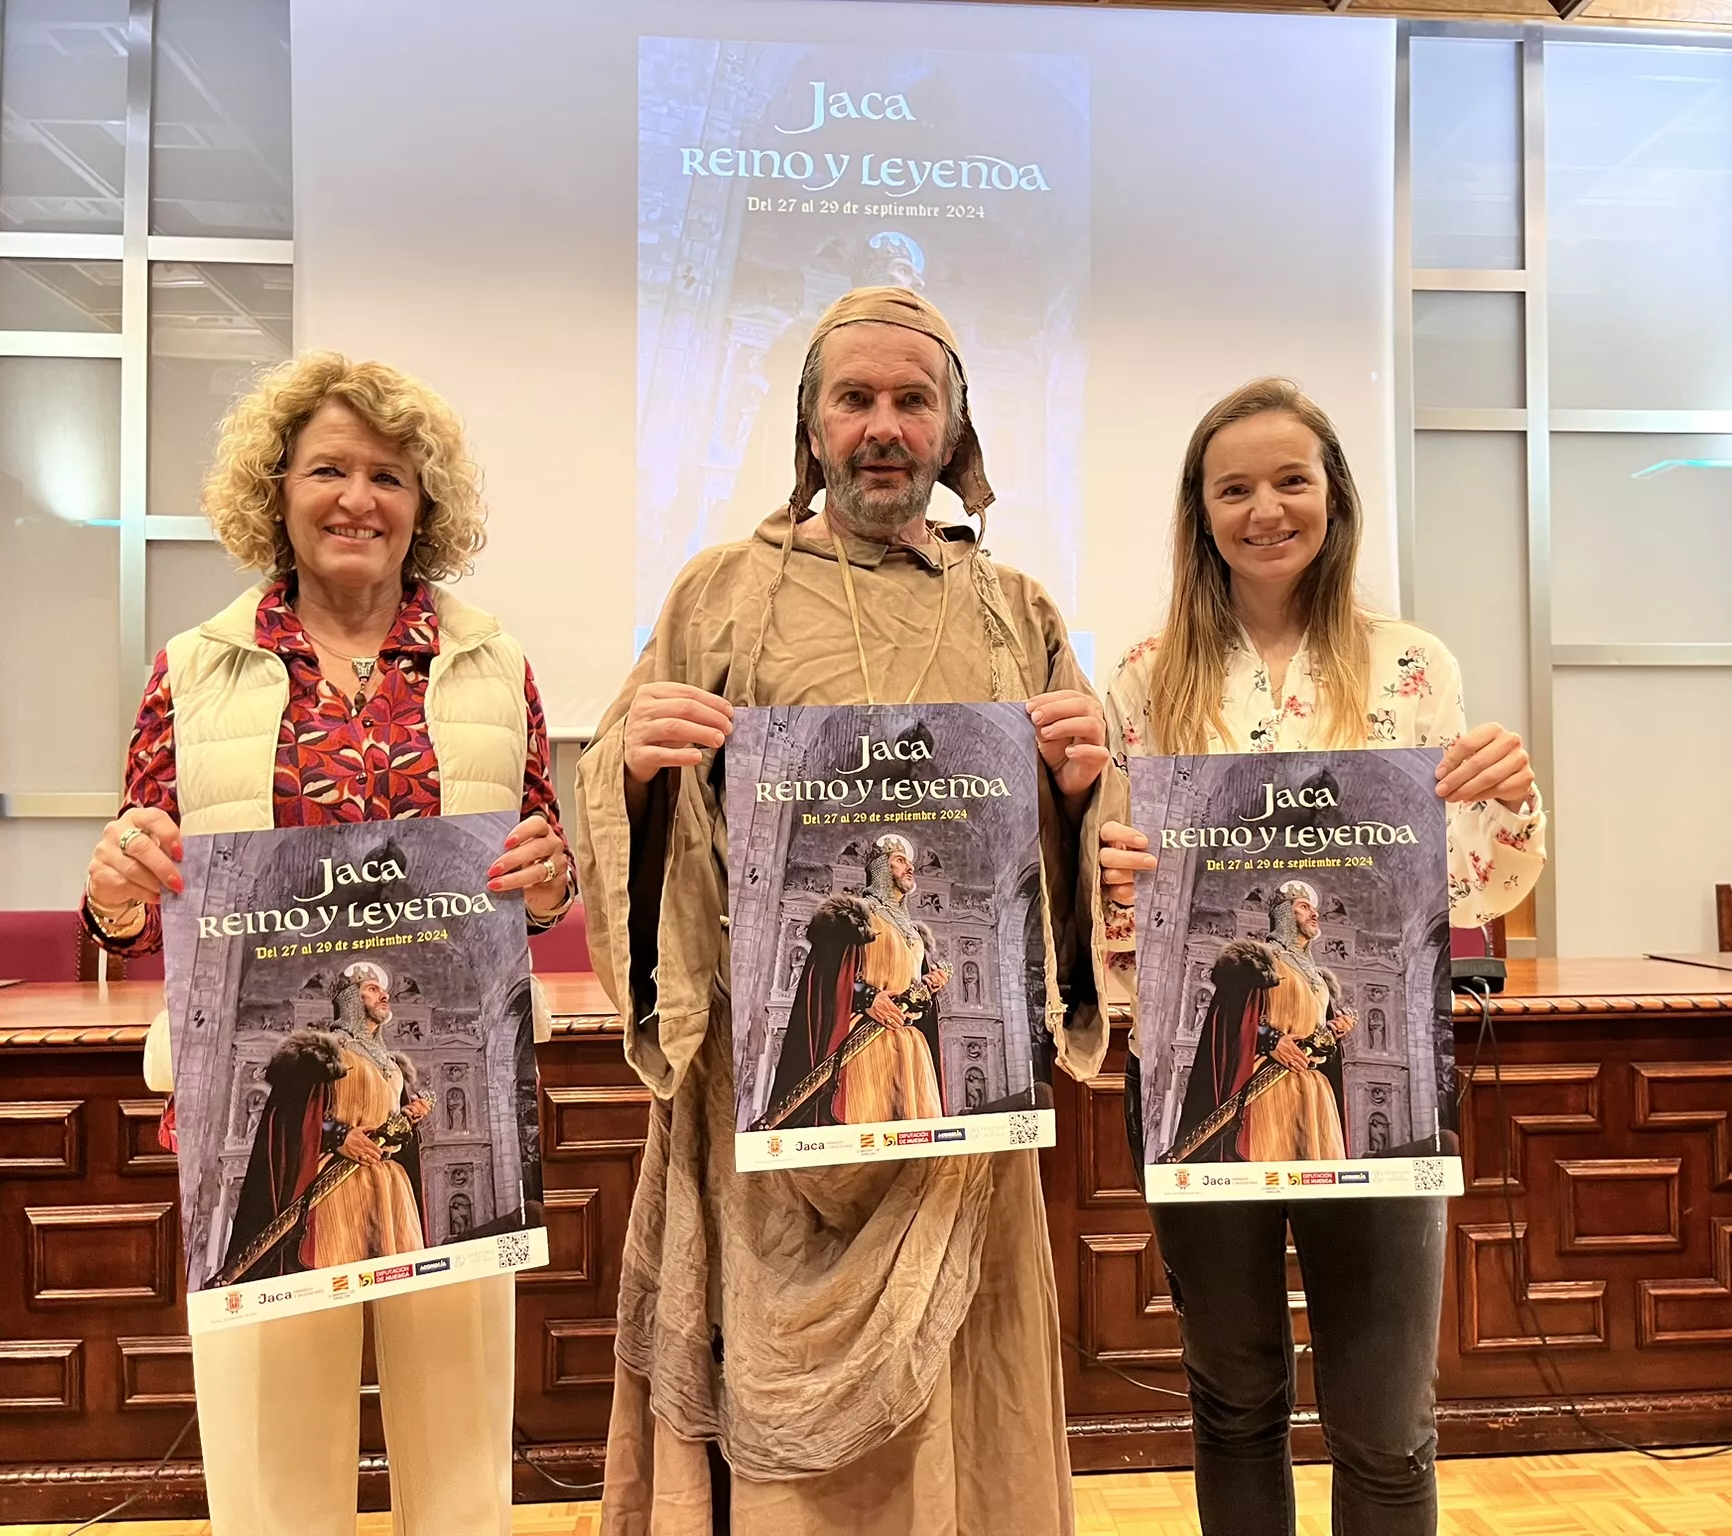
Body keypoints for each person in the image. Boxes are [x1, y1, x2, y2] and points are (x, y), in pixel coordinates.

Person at [573, 285, 1120, 1535]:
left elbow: (1086, 841)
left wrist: (1086, 789)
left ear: (951, 430)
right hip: (765, 1112)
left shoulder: (1015, 609)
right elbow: (619, 802)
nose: (882, 425)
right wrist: (638, 771)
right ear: (812, 426)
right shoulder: (717, 593)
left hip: (954, 1120)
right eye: (854, 399)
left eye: (910, 401)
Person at [80, 352, 576, 1536]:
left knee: (459, 1464)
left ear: (425, 504)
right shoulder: (192, 671)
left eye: (389, 476)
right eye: (328, 471)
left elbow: (536, 872)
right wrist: (112, 889)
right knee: (270, 1473)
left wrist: (551, 880)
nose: (358, 499)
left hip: (449, 1112)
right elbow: (138, 903)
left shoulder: (493, 662)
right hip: (254, 1111)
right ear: (278, 491)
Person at [1096, 378, 1544, 1535]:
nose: (1263, 510)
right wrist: (1112, 881)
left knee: (1386, 1422)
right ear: (1198, 513)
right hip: (1200, 1070)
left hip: (1374, 1075)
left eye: (1290, 480)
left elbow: (1469, 882)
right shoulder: (1145, 680)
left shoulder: (1411, 667)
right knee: (1234, 1402)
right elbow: (1114, 883)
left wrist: (1503, 796)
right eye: (1231, 487)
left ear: (1333, 497)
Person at [221, 962, 433, 1282]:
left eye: (382, 989)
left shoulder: (392, 1066)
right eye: (372, 989)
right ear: (349, 999)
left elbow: (388, 1129)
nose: (384, 994)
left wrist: (406, 1121)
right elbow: (292, 1118)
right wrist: (338, 1136)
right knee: (337, 1282)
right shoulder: (323, 1054)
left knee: (395, 1283)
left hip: (390, 1188)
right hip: (336, 1184)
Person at [763, 832, 952, 1128]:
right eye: (900, 861)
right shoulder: (854, 919)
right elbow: (828, 976)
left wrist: (928, 990)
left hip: (912, 1050)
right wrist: (867, 997)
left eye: (909, 862)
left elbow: (910, 995)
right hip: (863, 1043)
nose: (909, 867)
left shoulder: (915, 935)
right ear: (879, 868)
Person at [1171, 881, 1355, 1166]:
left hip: (1315, 1092)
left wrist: (1332, 1034)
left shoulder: (1319, 981)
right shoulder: (1258, 962)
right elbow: (1229, 1020)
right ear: (1282, 913)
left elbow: (1314, 1041)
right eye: (1304, 907)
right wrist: (1270, 1039)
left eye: (1314, 909)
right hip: (1266, 1085)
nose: (1313, 914)